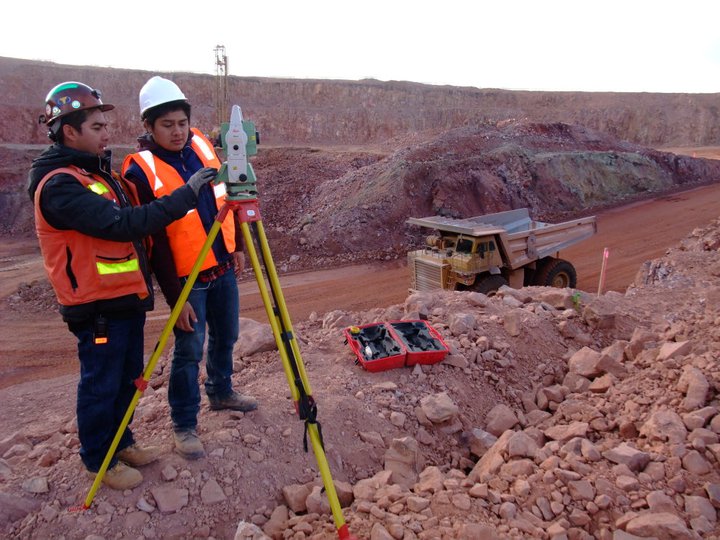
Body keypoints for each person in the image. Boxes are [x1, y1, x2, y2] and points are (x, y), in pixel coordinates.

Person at [28, 81, 218, 490]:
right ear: (68, 131)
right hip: (95, 307)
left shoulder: (99, 174)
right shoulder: (60, 185)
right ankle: (100, 458)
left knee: (129, 375)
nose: (106, 132)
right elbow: (126, 225)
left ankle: (123, 440)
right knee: (101, 382)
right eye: (96, 126)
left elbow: (144, 241)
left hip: (124, 301)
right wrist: (186, 195)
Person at [123, 76, 258, 460]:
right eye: (167, 125)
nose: (178, 132)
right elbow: (155, 242)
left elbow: (229, 196)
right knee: (188, 351)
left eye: (182, 122)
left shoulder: (200, 143)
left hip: (221, 265)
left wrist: (237, 246)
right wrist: (174, 298)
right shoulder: (140, 171)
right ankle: (184, 424)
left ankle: (221, 391)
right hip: (186, 278)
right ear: (148, 127)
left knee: (227, 334)